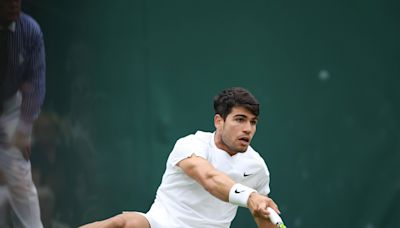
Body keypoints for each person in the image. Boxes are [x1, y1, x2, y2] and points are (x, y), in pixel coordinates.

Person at [81, 87, 281, 228]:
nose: (248, 129)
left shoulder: (257, 167)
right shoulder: (191, 145)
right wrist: (250, 196)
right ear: (219, 121)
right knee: (125, 224)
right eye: (240, 119)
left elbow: (262, 214)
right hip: (159, 224)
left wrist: (259, 205)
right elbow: (210, 179)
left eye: (253, 122)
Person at [0, 0, 46, 227]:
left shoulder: (30, 30)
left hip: (10, 105)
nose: (13, 5)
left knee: (18, 170)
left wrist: (24, 128)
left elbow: (36, 83)